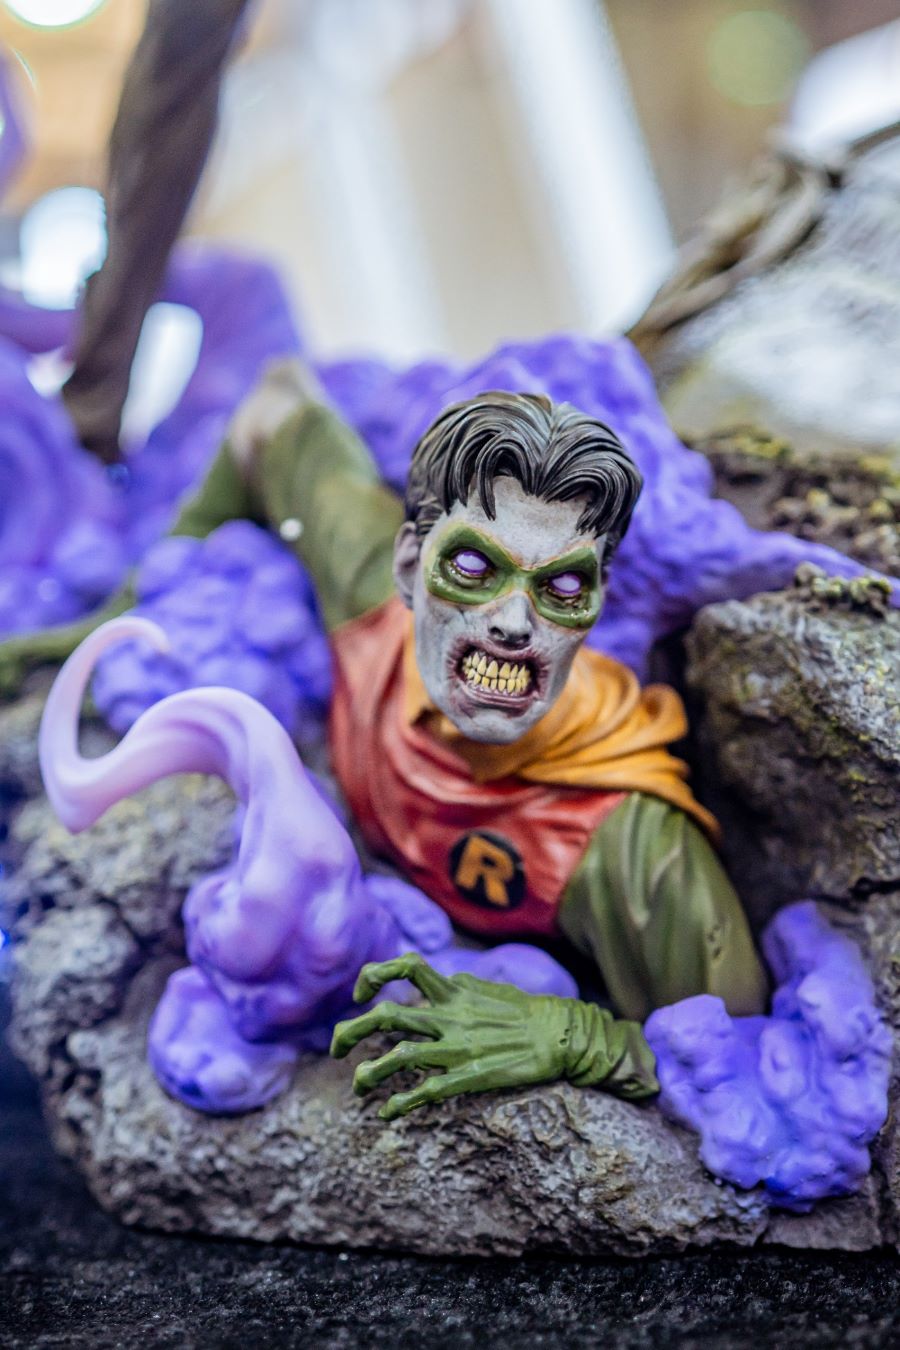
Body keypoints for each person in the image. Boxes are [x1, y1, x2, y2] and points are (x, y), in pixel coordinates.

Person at [34, 363, 767, 1119]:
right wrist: (138, 603)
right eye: (475, 567)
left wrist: (576, 1035)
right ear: (411, 566)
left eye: (562, 588)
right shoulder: (366, 603)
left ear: (596, 603)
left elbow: (746, 1059)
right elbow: (275, 400)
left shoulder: (634, 847)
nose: (515, 623)